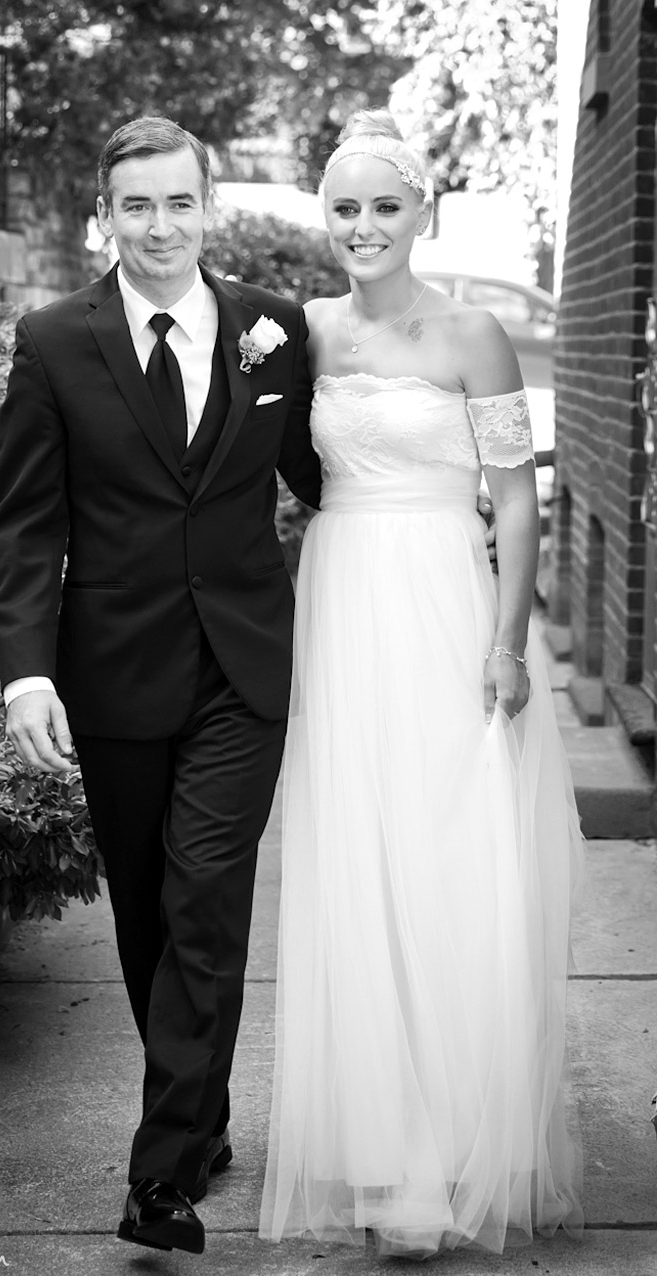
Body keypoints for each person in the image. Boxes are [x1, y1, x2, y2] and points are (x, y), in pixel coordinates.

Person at [0, 117, 322, 1256]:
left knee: (205, 907)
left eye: (178, 203)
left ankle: (159, 1176)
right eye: (137, 206)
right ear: (105, 214)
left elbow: (322, 473)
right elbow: (25, 523)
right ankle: (202, 1109)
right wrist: (28, 672)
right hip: (113, 675)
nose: (159, 226)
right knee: (146, 920)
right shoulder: (54, 342)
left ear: (206, 206)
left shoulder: (272, 332)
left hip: (242, 668)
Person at [259, 110, 584, 1258]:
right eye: (343, 208)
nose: (362, 227)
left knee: (453, 849)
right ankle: (385, 1147)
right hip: (341, 598)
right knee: (360, 850)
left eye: (384, 207)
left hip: (446, 600)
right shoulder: (299, 332)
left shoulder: (474, 334)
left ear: (423, 214)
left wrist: (503, 642)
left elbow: (515, 497)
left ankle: (458, 1136)